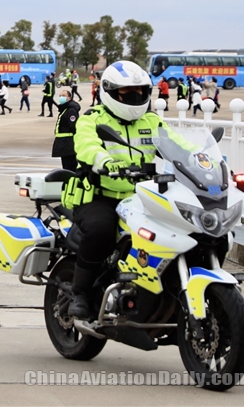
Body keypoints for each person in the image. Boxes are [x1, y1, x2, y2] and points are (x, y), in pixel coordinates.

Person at [67, 61, 182, 318]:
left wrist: (204, 162)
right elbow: (87, 146)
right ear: (109, 91)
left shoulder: (152, 121)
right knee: (100, 232)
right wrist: (105, 162)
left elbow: (179, 146)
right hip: (100, 197)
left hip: (141, 198)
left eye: (140, 91)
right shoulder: (93, 119)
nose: (135, 96)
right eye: (126, 92)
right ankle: (80, 294)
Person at [51, 90, 79, 170]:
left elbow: (74, 126)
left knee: (70, 167)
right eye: (60, 95)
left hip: (68, 144)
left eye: (63, 95)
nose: (61, 97)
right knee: (66, 166)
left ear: (69, 98)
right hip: (63, 144)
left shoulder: (71, 110)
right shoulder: (65, 109)